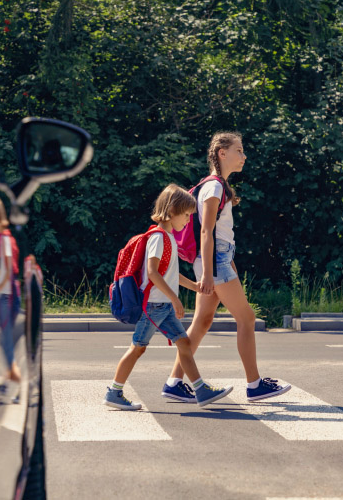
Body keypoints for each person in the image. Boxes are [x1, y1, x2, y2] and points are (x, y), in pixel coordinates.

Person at [161, 132, 291, 403]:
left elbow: (218, 233)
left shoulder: (217, 187)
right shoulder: (215, 187)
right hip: (213, 261)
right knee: (246, 319)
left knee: (202, 321)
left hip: (217, 259)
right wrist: (209, 273)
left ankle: (174, 382)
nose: (244, 156)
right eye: (239, 150)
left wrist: (223, 263)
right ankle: (255, 385)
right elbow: (207, 232)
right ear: (222, 153)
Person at [104, 184, 234, 411]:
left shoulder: (168, 238)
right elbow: (153, 273)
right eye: (185, 215)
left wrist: (194, 286)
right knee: (138, 348)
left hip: (161, 305)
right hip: (155, 305)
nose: (187, 221)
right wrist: (175, 299)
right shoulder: (158, 237)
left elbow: (170, 274)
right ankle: (114, 392)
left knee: (183, 343)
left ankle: (200, 389)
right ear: (171, 211)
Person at [0, 198, 22, 388]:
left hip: (3, 296)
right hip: (4, 295)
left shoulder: (3, 239)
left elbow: (7, 270)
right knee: (3, 343)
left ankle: (13, 384)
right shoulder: (2, 237)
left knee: (5, 344)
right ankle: (10, 382)